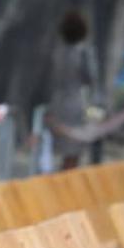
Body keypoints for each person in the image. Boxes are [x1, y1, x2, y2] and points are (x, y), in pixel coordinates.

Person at [48, 10, 95, 170]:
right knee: (74, 152)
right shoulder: (82, 53)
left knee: (63, 152)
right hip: (75, 105)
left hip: (57, 105)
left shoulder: (57, 53)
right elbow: (90, 78)